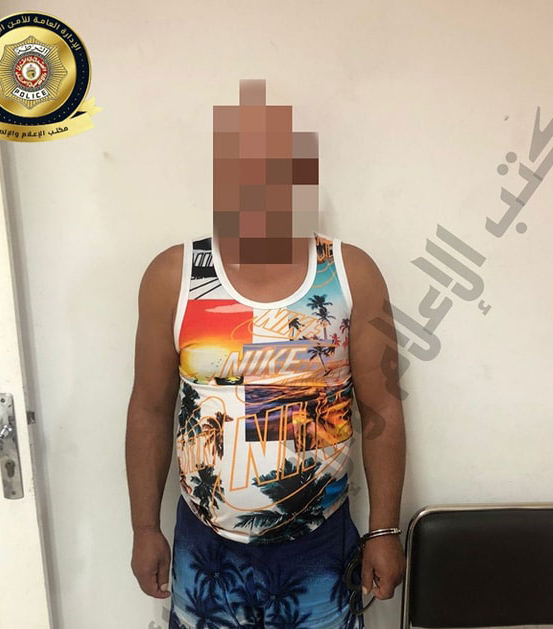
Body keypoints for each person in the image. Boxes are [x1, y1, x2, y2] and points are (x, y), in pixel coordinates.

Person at [126, 79, 406, 629]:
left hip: (320, 547)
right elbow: (150, 409)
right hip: (205, 546)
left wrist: (384, 530)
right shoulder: (174, 277)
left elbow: (383, 409)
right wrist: (143, 528)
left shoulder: (349, 274)